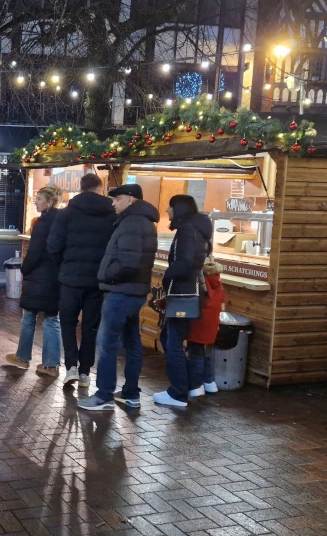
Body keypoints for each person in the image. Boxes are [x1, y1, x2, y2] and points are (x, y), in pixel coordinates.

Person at [78, 184, 159, 411]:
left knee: (107, 343)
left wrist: (106, 275)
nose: (113, 203)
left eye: (118, 199)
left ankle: (104, 395)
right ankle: (131, 393)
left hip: (121, 292)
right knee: (132, 342)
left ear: (131, 200)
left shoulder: (132, 223)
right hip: (134, 291)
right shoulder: (143, 222)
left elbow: (128, 263)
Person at [47, 173, 116, 387]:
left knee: (67, 323)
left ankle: (72, 367)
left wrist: (64, 265)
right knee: (91, 326)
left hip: (70, 278)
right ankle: (86, 372)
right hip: (97, 280)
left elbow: (53, 245)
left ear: (81, 187)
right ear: (100, 187)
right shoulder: (111, 214)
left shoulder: (66, 213)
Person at [154, 195, 212, 407]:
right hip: (190, 292)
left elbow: (185, 262)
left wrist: (168, 276)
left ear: (179, 208)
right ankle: (190, 385)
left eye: (170, 206)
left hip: (183, 293)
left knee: (173, 342)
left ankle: (178, 393)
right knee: (171, 337)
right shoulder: (197, 229)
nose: (167, 210)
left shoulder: (187, 230)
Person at [5, 185, 63, 376]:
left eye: (39, 198)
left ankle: (22, 357)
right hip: (55, 277)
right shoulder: (63, 221)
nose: (35, 202)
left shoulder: (42, 223)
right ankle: (51, 365)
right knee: (52, 319)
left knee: (29, 317)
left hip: (38, 277)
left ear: (49, 201)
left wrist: (25, 268)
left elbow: (35, 252)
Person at [187, 256, 226, 397]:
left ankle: (196, 386)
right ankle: (210, 383)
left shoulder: (201, 282)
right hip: (212, 324)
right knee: (205, 354)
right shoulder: (218, 283)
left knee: (195, 355)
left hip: (199, 324)